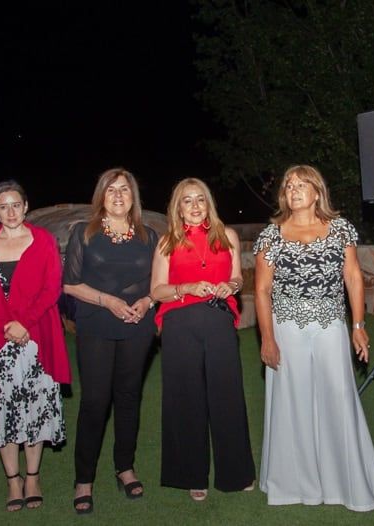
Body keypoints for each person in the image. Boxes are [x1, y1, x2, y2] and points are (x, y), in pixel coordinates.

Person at [253, 165, 374, 511]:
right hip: (286, 326)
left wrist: (358, 325)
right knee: (292, 401)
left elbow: (353, 277)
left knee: (338, 396)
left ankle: (346, 483)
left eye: (302, 184)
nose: (294, 190)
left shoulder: (340, 228)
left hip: (330, 324)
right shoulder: (271, 235)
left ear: (317, 192)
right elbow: (262, 290)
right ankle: (296, 484)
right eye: (289, 185)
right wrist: (267, 338)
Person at [0, 180, 70, 512]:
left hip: (36, 336)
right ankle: (13, 480)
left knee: (35, 408)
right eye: (3, 206)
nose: (10, 212)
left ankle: (33, 477)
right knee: (3, 410)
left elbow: (52, 287)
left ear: (26, 207)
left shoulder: (44, 241)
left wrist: (24, 322)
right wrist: (5, 326)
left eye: (16, 205)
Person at [149, 177, 256, 501]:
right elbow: (157, 291)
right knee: (186, 398)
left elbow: (237, 277)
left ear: (208, 204)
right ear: (178, 208)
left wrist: (231, 286)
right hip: (180, 323)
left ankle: (236, 473)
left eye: (200, 199)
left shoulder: (228, 236)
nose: (195, 206)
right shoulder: (167, 242)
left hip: (219, 319)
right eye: (187, 200)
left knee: (228, 396)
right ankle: (192, 474)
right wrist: (187, 288)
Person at [63, 168, 159, 514]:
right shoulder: (84, 233)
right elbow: (70, 284)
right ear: (101, 196)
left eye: (125, 189)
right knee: (95, 401)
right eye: (111, 189)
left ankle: (125, 467)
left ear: (134, 197)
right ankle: (84, 479)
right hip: (97, 325)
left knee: (129, 397)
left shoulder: (149, 236)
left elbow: (158, 283)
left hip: (137, 325)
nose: (118, 196)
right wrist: (109, 302)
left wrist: (147, 302)